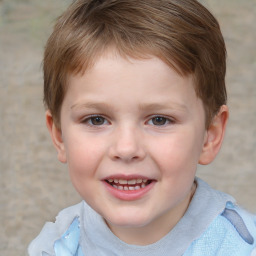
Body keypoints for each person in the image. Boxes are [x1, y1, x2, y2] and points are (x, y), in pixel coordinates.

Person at [28, 0, 256, 255]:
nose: (126, 148)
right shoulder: (56, 247)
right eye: (96, 119)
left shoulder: (241, 246)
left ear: (209, 136)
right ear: (59, 135)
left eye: (159, 120)